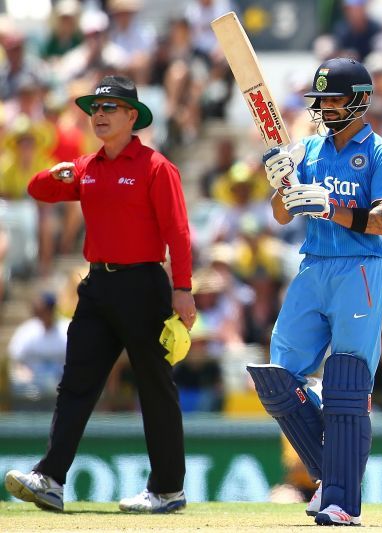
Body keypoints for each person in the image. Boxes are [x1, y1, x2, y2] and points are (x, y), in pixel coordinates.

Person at [4, 75, 196, 514]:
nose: (100, 114)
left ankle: (168, 490)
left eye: (110, 107)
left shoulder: (155, 167)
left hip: (145, 285)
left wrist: (182, 290)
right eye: (96, 108)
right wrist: (55, 173)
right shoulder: (88, 166)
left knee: (154, 387)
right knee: (76, 383)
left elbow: (179, 233)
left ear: (133, 117)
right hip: (97, 286)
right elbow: (38, 190)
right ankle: (50, 478)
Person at [246, 57, 382, 526]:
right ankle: (336, 478)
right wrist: (280, 184)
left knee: (348, 382)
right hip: (313, 267)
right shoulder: (308, 151)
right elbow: (280, 215)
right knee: (277, 379)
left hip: (360, 270)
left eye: (334, 98)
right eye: (321, 100)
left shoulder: (381, 154)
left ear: (359, 100)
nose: (326, 107)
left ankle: (339, 503)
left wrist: (331, 207)